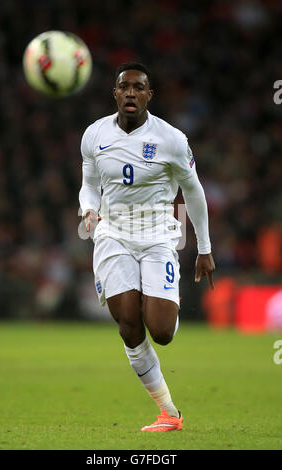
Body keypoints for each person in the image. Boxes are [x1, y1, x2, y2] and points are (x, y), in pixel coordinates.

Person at [79, 62, 215, 432]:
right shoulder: (94, 135)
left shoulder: (171, 139)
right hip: (113, 236)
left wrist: (204, 247)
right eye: (125, 87)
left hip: (157, 238)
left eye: (139, 88)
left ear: (149, 96)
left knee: (162, 332)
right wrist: (88, 208)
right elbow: (89, 183)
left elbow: (194, 191)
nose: (131, 93)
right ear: (115, 94)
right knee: (128, 325)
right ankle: (170, 413)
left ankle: (163, 299)